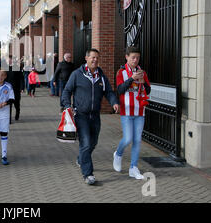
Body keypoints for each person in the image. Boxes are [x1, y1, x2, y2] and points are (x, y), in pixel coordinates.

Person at [61, 49, 119, 185]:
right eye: (92, 58)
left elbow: (109, 92)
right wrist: (67, 106)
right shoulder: (77, 74)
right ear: (86, 58)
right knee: (86, 143)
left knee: (93, 143)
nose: (95, 60)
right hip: (81, 115)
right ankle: (88, 174)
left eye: (97, 58)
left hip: (95, 115)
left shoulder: (101, 76)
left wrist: (114, 102)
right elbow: (67, 91)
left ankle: (81, 158)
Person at [113, 46, 151, 180]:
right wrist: (131, 79)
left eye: (138, 58)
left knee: (137, 140)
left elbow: (148, 90)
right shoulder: (121, 72)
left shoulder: (142, 72)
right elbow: (120, 90)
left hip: (140, 111)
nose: (135, 60)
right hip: (126, 111)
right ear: (127, 57)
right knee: (128, 138)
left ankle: (133, 168)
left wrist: (142, 83)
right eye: (133, 57)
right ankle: (118, 154)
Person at [6, 55, 24, 121]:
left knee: (16, 104)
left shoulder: (17, 68)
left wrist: (22, 88)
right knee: (8, 104)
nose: (9, 61)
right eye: (8, 60)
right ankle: (9, 119)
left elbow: (21, 78)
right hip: (7, 90)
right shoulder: (5, 68)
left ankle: (17, 113)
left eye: (10, 59)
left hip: (16, 88)